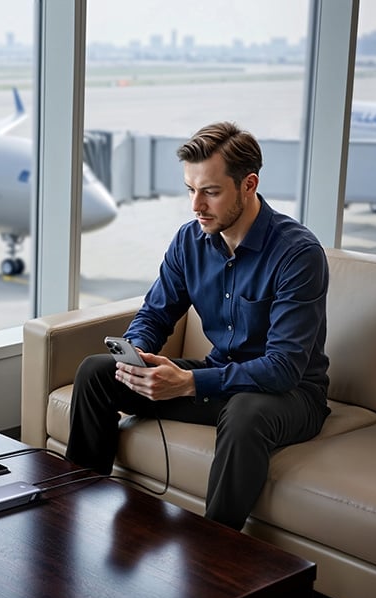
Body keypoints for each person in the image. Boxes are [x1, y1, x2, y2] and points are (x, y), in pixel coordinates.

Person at [65, 121, 330, 530]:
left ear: (248, 185)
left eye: (210, 191)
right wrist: (136, 356)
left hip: (290, 396)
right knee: (96, 372)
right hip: (219, 379)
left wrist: (189, 383)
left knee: (246, 411)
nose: (196, 205)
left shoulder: (298, 254)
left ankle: (214, 551)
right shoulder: (190, 241)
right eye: (190, 190)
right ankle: (73, 508)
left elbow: (283, 368)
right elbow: (154, 315)